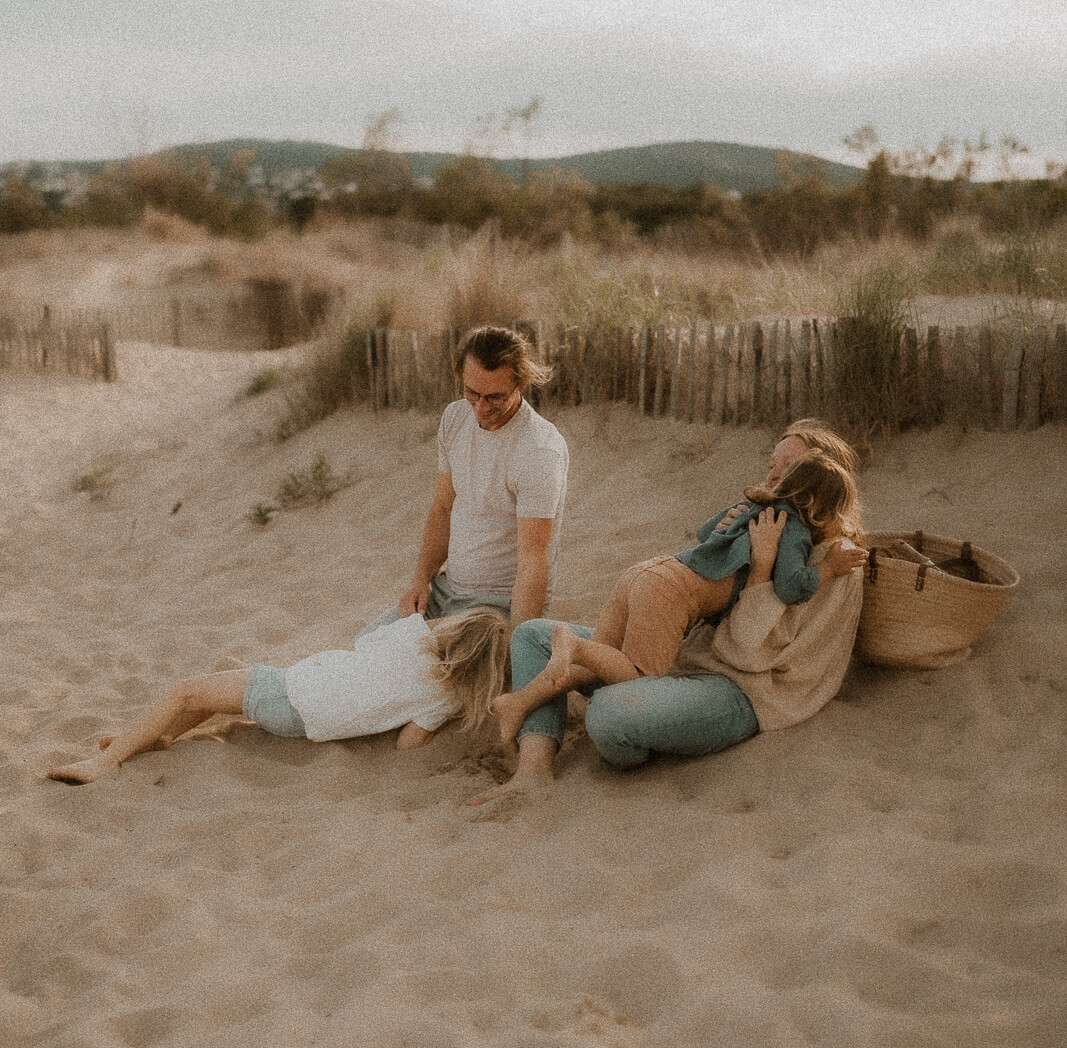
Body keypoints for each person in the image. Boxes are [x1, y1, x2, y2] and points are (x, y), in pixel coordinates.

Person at [469, 420, 867, 807]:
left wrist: (762, 564)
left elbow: (746, 652)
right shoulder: (767, 523)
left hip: (742, 688)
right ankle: (534, 769)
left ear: (817, 482)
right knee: (532, 634)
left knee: (608, 714)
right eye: (772, 464)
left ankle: (611, 683)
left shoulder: (828, 564)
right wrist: (724, 535)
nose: (774, 475)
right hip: (685, 659)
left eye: (790, 468)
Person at [48, 606, 509, 785]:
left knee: (187, 690)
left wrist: (412, 618)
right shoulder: (447, 700)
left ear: (456, 629)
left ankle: (102, 764)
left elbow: (366, 638)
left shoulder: (415, 638)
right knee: (207, 698)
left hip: (290, 690)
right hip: (308, 728)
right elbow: (410, 742)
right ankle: (156, 739)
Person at [364, 325, 568, 634]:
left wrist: (518, 640)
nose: (481, 408)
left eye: (495, 397)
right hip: (444, 592)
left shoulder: (538, 450)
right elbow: (444, 508)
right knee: (365, 645)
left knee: (401, 653)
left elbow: (533, 562)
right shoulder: (454, 418)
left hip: (495, 609)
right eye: (472, 393)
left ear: (522, 384)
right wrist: (420, 579)